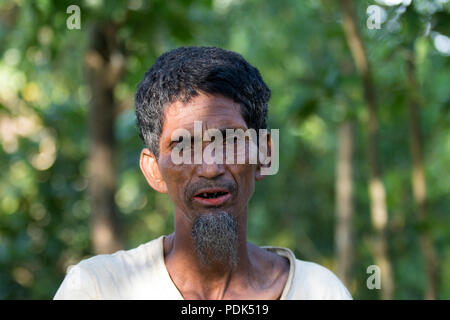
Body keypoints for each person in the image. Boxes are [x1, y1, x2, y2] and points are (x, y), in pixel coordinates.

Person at [54, 46, 352, 300]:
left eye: (231, 141)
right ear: (153, 170)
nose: (210, 168)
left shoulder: (318, 291)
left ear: (264, 154)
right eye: (184, 146)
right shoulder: (98, 288)